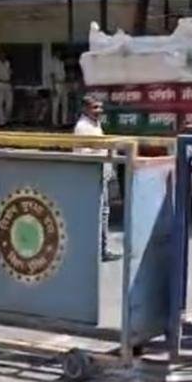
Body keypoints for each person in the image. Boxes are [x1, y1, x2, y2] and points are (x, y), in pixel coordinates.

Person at [74, 95, 120, 262]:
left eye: (100, 107)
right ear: (85, 109)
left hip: (102, 174)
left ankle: (102, 249)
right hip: (92, 175)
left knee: (103, 213)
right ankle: (96, 250)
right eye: (95, 107)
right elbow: (84, 154)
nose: (99, 111)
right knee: (96, 214)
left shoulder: (95, 124)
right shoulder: (83, 127)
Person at [49, 49, 68, 127]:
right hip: (57, 84)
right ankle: (54, 122)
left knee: (65, 103)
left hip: (63, 83)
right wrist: (53, 87)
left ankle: (64, 121)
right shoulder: (52, 62)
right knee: (56, 104)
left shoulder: (61, 62)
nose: (60, 53)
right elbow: (52, 75)